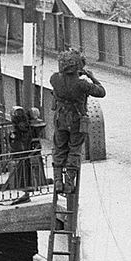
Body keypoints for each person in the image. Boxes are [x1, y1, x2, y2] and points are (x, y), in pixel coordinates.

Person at [49, 49, 106, 195]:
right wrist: (91, 77)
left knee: (59, 148)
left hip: (60, 118)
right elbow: (101, 92)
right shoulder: (82, 84)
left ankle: (57, 182)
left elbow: (63, 81)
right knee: (74, 150)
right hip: (77, 120)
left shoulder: (54, 79)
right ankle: (69, 183)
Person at [8, 105, 46, 199]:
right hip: (25, 151)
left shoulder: (25, 129)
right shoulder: (23, 129)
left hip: (26, 151)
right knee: (25, 167)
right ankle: (29, 185)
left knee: (27, 167)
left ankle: (29, 184)